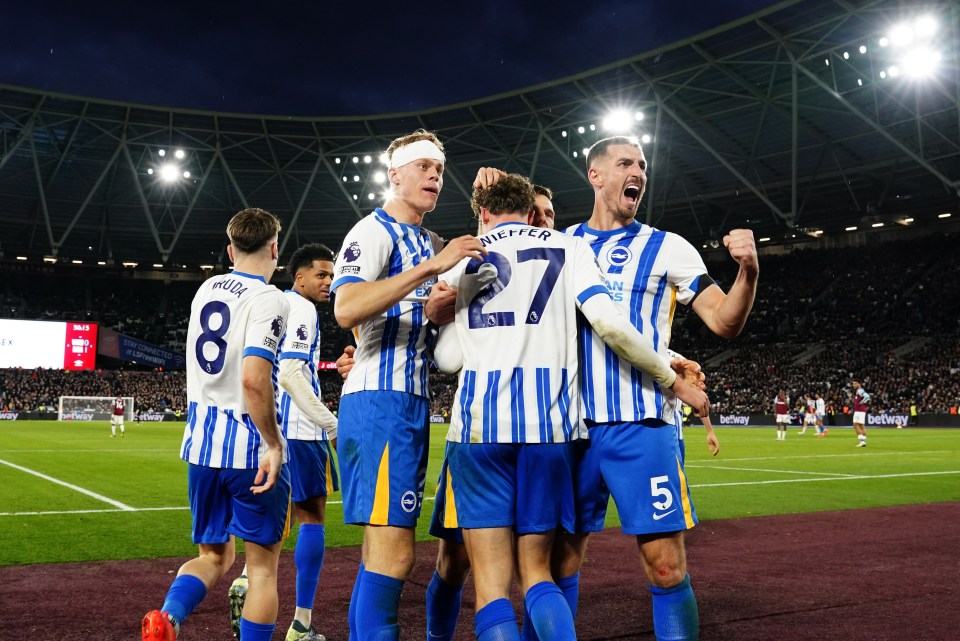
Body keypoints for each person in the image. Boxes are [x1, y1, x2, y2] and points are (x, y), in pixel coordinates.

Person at [429, 173, 709, 641]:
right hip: (550, 431)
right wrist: (667, 376)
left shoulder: (465, 255)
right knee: (539, 573)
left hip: (478, 432)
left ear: (482, 212)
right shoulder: (569, 248)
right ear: (532, 209)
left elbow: (448, 359)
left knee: (493, 589)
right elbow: (611, 327)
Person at [507, 135, 757, 641]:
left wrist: (749, 273)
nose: (637, 171)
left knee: (665, 565)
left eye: (642, 164)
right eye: (625, 163)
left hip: (642, 424)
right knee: (556, 566)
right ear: (596, 175)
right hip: (570, 426)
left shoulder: (669, 247)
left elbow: (724, 322)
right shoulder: (563, 244)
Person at [329, 129, 486, 641]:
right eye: (423, 167)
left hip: (409, 403)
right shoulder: (371, 231)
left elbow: (424, 318)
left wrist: (440, 309)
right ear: (394, 174)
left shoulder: (428, 240)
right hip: (379, 402)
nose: (434, 177)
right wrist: (432, 269)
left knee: (382, 553)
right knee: (396, 555)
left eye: (439, 170)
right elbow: (346, 307)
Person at [141, 208, 291, 641]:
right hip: (249, 451)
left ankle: (167, 619)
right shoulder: (269, 298)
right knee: (261, 571)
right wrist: (274, 442)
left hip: (203, 448)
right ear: (274, 247)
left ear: (230, 249)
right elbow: (252, 377)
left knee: (212, 556)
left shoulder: (206, 289)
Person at [229, 243, 340, 641]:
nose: (329, 281)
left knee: (280, 521)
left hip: (271, 431)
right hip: (303, 432)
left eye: (332, 275)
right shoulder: (304, 309)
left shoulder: (272, 304)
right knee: (312, 517)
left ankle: (244, 577)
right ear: (300, 277)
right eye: (322, 275)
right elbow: (293, 374)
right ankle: (302, 624)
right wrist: (331, 425)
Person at [852, 379, 871, 448]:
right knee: (861, 426)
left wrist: (862, 402)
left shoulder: (860, 390)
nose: (853, 385)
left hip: (859, 410)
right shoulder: (859, 391)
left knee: (855, 425)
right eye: (853, 384)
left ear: (859, 384)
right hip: (862, 410)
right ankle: (864, 441)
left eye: (855, 384)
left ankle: (861, 441)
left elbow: (867, 396)